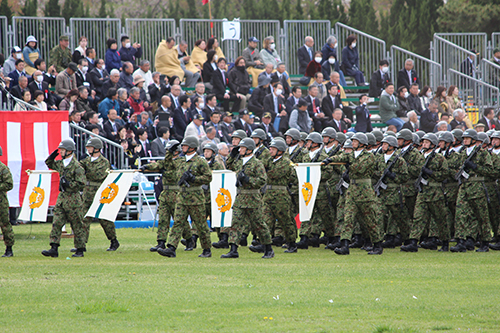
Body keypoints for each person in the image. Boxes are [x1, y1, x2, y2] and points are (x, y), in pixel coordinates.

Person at [155, 136, 213, 258]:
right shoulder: (181, 161)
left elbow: (208, 177)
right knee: (178, 222)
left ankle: (207, 249)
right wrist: (169, 153)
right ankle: (171, 248)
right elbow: (168, 165)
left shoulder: (200, 161)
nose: (182, 148)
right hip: (182, 196)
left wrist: (194, 179)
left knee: (201, 224)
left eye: (185, 146)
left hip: (195, 197)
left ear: (192, 147)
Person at [222, 138, 274, 259]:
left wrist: (248, 179)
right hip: (240, 197)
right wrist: (232, 154)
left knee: (259, 224)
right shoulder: (240, 162)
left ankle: (268, 248)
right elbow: (230, 165)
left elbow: (262, 180)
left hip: (252, 197)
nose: (240, 149)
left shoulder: (257, 163)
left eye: (242, 148)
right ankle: (233, 249)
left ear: (249, 150)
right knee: (235, 223)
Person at [400, 133, 449, 253]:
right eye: (423, 142)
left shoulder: (439, 158)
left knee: (440, 218)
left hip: (435, 192)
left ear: (432, 144)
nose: (424, 144)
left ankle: (445, 242)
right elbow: (415, 170)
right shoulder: (419, 156)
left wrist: (431, 173)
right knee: (418, 217)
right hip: (422, 191)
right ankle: (413, 242)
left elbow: (444, 174)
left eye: (427, 142)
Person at [42, 139, 86, 258]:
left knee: (77, 225)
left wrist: (69, 184)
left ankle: (80, 249)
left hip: (73, 199)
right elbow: (49, 164)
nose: (61, 151)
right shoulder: (61, 164)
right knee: (57, 223)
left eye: (63, 150)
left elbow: (82, 183)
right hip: (62, 198)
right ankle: (54, 248)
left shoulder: (77, 166)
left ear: (69, 151)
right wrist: (51, 157)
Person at [79, 138, 120, 252]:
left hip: (100, 194)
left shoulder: (104, 162)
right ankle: (81, 244)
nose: (87, 149)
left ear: (96, 148)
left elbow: (98, 175)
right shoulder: (86, 161)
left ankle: (113, 240)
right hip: (88, 194)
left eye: (90, 147)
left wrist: (85, 171)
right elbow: (77, 168)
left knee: (105, 219)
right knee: (84, 219)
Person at [0, 146, 14, 257]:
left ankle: (9, 248)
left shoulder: (3, 169)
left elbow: (9, 184)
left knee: (5, 224)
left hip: (1, 200)